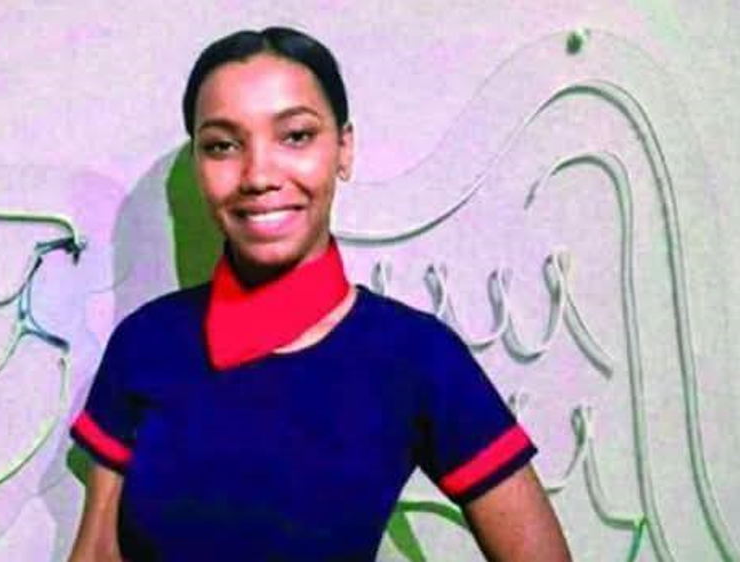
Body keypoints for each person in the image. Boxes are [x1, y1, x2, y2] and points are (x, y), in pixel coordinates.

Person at [68, 26, 571, 562]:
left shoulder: (415, 356)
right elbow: (97, 553)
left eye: (296, 136)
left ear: (343, 149)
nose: (258, 175)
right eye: (222, 146)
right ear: (199, 165)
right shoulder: (146, 341)